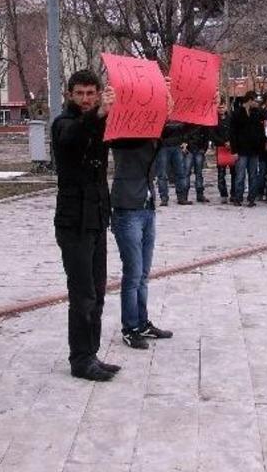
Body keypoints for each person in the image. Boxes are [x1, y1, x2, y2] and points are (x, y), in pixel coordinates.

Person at [51, 69, 119, 381]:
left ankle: (91, 352)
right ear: (69, 95)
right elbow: (72, 137)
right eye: (79, 93)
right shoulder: (63, 123)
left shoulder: (102, 121)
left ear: (98, 93)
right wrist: (99, 114)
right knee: (82, 295)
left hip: (96, 219)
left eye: (91, 93)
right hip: (73, 222)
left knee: (98, 292)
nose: (85, 99)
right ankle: (80, 359)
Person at [109, 80, 174, 350]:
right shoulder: (123, 132)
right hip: (127, 209)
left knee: (144, 273)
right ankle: (130, 327)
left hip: (147, 208)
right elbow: (137, 139)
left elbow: (179, 131)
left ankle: (142, 322)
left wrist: (204, 109)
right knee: (133, 273)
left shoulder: (152, 130)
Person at [230, 91, 263, 207]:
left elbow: (260, 131)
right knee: (240, 175)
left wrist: (259, 146)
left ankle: (251, 198)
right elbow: (232, 133)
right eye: (255, 100)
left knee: (253, 175)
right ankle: (238, 197)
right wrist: (234, 150)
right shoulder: (237, 113)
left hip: (254, 150)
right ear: (250, 100)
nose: (257, 103)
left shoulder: (257, 113)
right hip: (241, 149)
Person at [156, 121, 192, 206]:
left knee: (180, 173)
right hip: (164, 146)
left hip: (176, 146)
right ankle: (164, 198)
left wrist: (185, 141)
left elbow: (186, 128)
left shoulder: (179, 117)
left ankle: (181, 197)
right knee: (162, 174)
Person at [211, 99, 235, 204]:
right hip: (220, 148)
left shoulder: (231, 119)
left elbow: (235, 131)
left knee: (234, 173)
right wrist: (223, 142)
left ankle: (234, 193)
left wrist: (231, 142)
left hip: (232, 148)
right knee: (221, 174)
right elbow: (212, 135)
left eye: (223, 107)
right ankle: (223, 194)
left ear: (226, 107)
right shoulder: (214, 120)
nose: (221, 109)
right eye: (219, 107)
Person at [186, 125, 210, 203]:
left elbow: (206, 137)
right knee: (187, 173)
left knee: (198, 173)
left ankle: (199, 194)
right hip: (190, 150)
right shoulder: (187, 124)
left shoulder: (203, 126)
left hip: (198, 149)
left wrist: (204, 149)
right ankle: (184, 195)